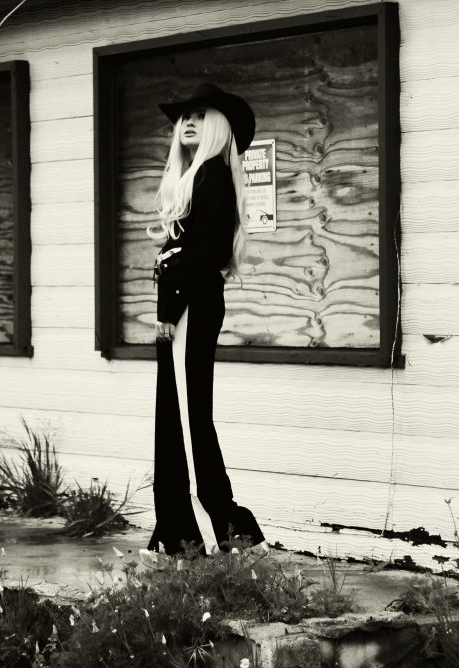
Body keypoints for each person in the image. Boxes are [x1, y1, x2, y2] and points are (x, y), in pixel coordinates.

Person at [140, 83, 270, 568]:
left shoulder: (211, 175)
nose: (189, 122)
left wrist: (169, 310)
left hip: (190, 307)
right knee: (179, 416)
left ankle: (211, 533)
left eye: (200, 114)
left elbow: (198, 257)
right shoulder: (200, 177)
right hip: (188, 305)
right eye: (185, 116)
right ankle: (181, 534)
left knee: (185, 418)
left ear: (218, 126)